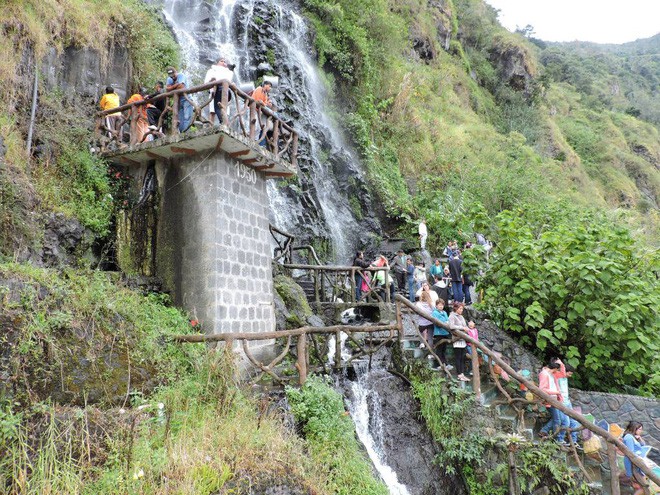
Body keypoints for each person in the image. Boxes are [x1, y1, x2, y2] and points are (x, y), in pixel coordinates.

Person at [538, 359, 568, 444]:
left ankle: (544, 431)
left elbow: (563, 374)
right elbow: (542, 389)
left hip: (555, 399)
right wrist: (557, 392)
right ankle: (557, 439)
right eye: (557, 369)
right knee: (557, 420)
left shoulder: (553, 374)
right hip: (549, 399)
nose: (558, 371)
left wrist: (561, 364)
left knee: (559, 418)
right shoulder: (544, 374)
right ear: (554, 368)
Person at [555, 359, 579, 446]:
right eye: (569, 373)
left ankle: (573, 440)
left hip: (567, 402)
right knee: (566, 422)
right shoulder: (559, 376)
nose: (570, 376)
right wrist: (560, 363)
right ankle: (559, 439)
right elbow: (561, 367)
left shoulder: (565, 378)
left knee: (574, 421)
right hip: (562, 403)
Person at [622, 422, 651, 495]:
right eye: (640, 429)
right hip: (633, 463)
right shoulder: (628, 437)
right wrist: (640, 459)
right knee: (643, 487)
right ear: (634, 428)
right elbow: (630, 452)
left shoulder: (633, 437)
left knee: (639, 486)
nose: (641, 431)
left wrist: (639, 438)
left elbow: (643, 444)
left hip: (636, 462)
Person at [204, 57, 235, 124]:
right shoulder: (211, 70)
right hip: (214, 92)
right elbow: (206, 82)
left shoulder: (228, 72)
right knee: (212, 111)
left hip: (225, 93)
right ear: (217, 62)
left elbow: (229, 80)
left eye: (224, 62)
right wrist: (212, 81)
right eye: (221, 61)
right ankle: (210, 127)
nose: (223, 63)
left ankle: (224, 125)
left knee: (224, 110)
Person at [166, 66, 193, 132]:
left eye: (173, 75)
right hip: (178, 101)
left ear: (176, 72)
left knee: (187, 117)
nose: (173, 77)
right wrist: (176, 85)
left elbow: (182, 86)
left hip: (187, 99)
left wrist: (172, 88)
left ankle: (186, 134)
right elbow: (167, 90)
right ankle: (182, 133)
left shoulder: (181, 75)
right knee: (180, 119)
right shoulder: (169, 79)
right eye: (171, 76)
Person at [449, 302, 469, 381]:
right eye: (460, 309)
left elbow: (465, 326)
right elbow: (452, 326)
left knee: (462, 358)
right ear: (456, 308)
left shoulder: (461, 316)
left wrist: (466, 328)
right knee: (458, 358)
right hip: (457, 339)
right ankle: (459, 374)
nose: (461, 310)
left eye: (462, 309)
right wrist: (462, 328)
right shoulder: (452, 316)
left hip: (463, 339)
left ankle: (462, 373)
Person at [431, 299, 451, 368]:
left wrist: (446, 322)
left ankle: (445, 363)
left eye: (442, 305)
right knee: (439, 349)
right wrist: (445, 322)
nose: (441, 306)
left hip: (445, 332)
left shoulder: (444, 312)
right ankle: (438, 364)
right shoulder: (434, 313)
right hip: (439, 333)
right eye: (439, 305)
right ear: (436, 306)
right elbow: (438, 322)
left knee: (444, 349)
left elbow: (447, 320)